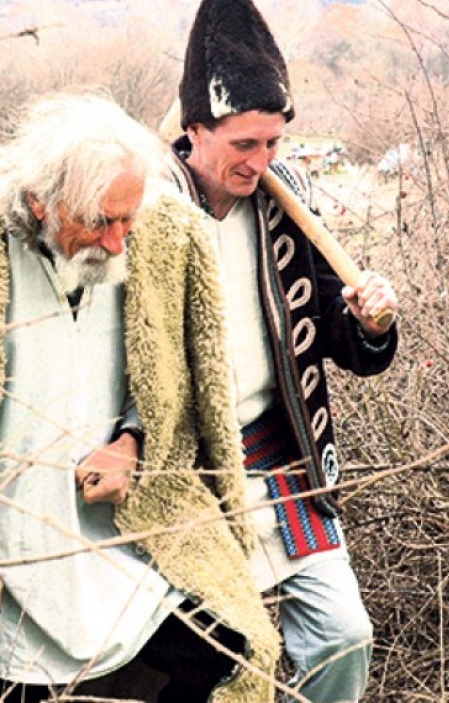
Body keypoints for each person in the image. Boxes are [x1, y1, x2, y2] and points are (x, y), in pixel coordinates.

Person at [161, 0, 399, 703]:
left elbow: (338, 336)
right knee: (218, 659)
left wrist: (371, 324)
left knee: (343, 636)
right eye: (243, 144)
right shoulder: (149, 211)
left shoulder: (286, 206)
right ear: (196, 129)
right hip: (188, 472)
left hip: (281, 454)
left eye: (272, 142)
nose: (260, 160)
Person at [0, 89, 279, 703]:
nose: (120, 243)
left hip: (119, 535)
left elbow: (167, 383)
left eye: (128, 221)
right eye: (101, 222)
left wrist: (132, 442)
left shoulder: (156, 239)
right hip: (15, 549)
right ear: (40, 202)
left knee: (228, 652)